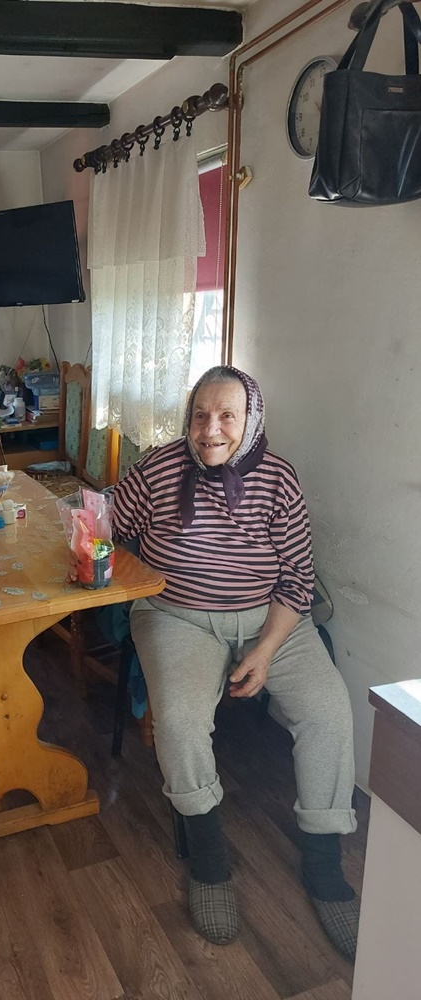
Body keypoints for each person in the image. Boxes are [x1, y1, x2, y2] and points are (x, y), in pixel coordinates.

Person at [110, 365, 360, 961]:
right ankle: (209, 858)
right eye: (200, 415)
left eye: (227, 415)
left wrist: (266, 651)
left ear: (251, 420)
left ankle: (324, 863)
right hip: (176, 615)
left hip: (271, 619)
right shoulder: (158, 469)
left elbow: (297, 577)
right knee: (179, 722)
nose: (211, 429)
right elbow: (107, 527)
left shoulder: (278, 478)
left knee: (329, 712)